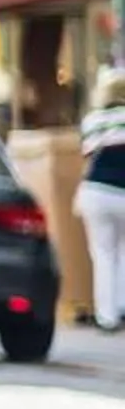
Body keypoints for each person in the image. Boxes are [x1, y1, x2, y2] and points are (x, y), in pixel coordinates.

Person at [77, 67, 125, 330]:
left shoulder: (92, 120)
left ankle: (107, 317)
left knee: (103, 254)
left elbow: (86, 154)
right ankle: (123, 307)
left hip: (96, 192)